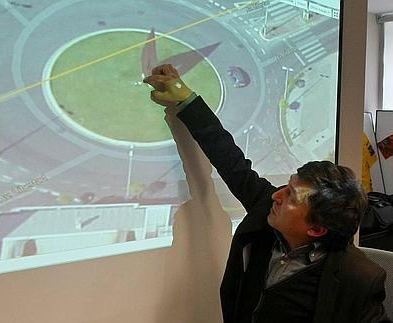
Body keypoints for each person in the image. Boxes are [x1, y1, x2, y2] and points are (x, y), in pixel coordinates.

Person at [143, 64, 390, 323]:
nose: (276, 196)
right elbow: (230, 160)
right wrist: (185, 97)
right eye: (287, 185)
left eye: (291, 197)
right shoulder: (268, 217)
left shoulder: (358, 280)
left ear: (316, 229)